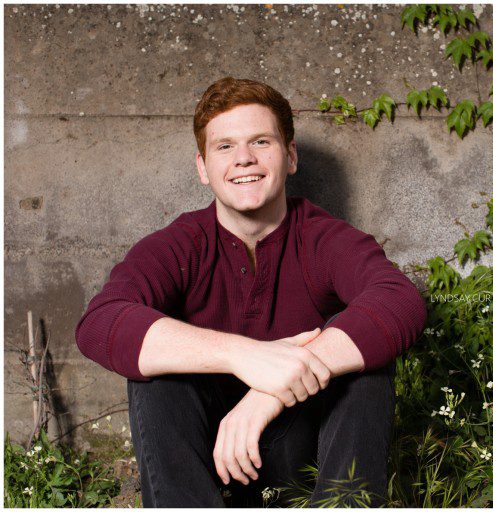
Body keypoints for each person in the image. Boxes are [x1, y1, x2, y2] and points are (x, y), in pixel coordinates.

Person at [75, 77, 428, 507]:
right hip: (208, 463)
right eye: (225, 147)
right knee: (153, 370)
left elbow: (398, 299)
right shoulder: (181, 244)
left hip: (306, 456)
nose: (244, 159)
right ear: (203, 168)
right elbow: (100, 322)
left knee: (365, 361)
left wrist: (267, 393)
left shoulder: (323, 238)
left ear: (290, 156)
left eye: (261, 141)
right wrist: (243, 355)